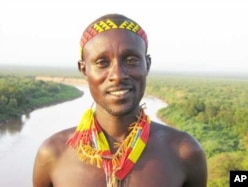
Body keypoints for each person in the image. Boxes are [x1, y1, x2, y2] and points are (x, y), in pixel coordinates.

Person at [33, 13, 207, 187]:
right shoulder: (53, 154)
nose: (117, 75)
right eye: (102, 62)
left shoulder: (183, 152)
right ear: (84, 69)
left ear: (147, 64)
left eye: (131, 60)